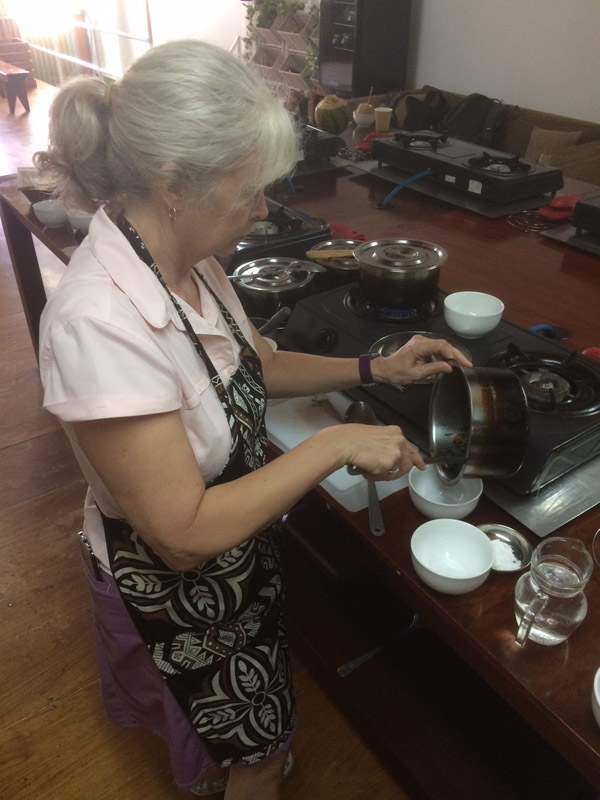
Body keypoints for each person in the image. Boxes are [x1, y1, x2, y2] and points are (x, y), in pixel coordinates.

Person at [36, 39, 471, 799]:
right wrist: (336, 442)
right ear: (176, 184)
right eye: (249, 192)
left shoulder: (186, 258)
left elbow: (256, 364)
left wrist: (378, 366)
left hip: (237, 559)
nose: (262, 210)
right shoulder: (98, 322)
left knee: (249, 732)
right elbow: (181, 532)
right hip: (175, 583)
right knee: (259, 749)